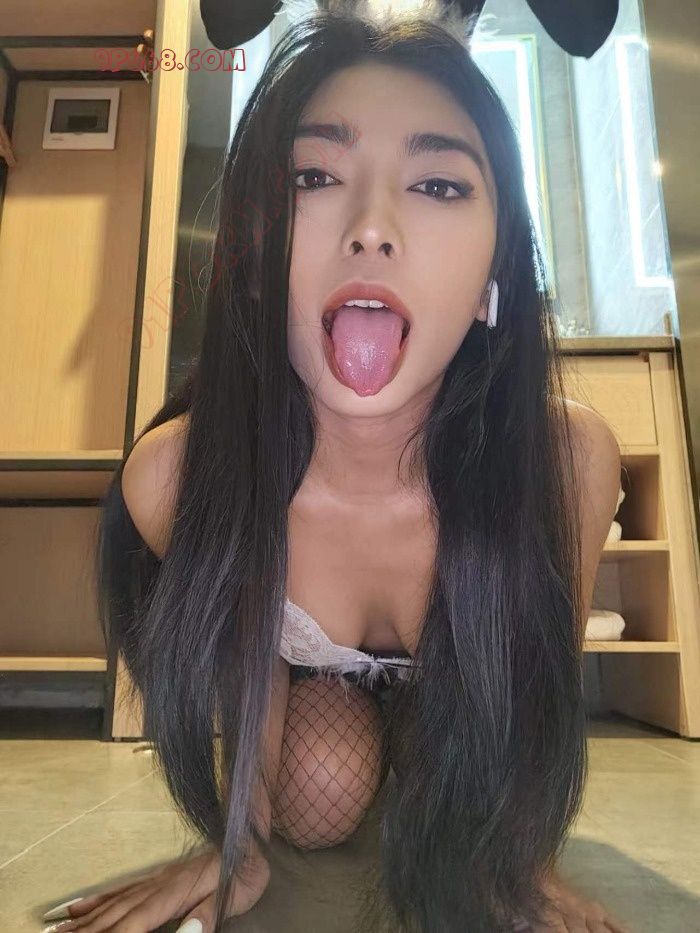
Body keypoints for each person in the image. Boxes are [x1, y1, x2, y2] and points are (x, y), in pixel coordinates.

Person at [42, 7, 628, 932]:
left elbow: (535, 686)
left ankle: (424, 755)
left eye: (438, 184)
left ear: (494, 276)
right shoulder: (179, 477)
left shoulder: (565, 461)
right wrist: (239, 846)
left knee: (453, 783)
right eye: (314, 177)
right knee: (320, 786)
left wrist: (522, 863)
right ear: (254, 255)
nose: (372, 229)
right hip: (313, 695)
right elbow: (248, 669)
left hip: (465, 693)